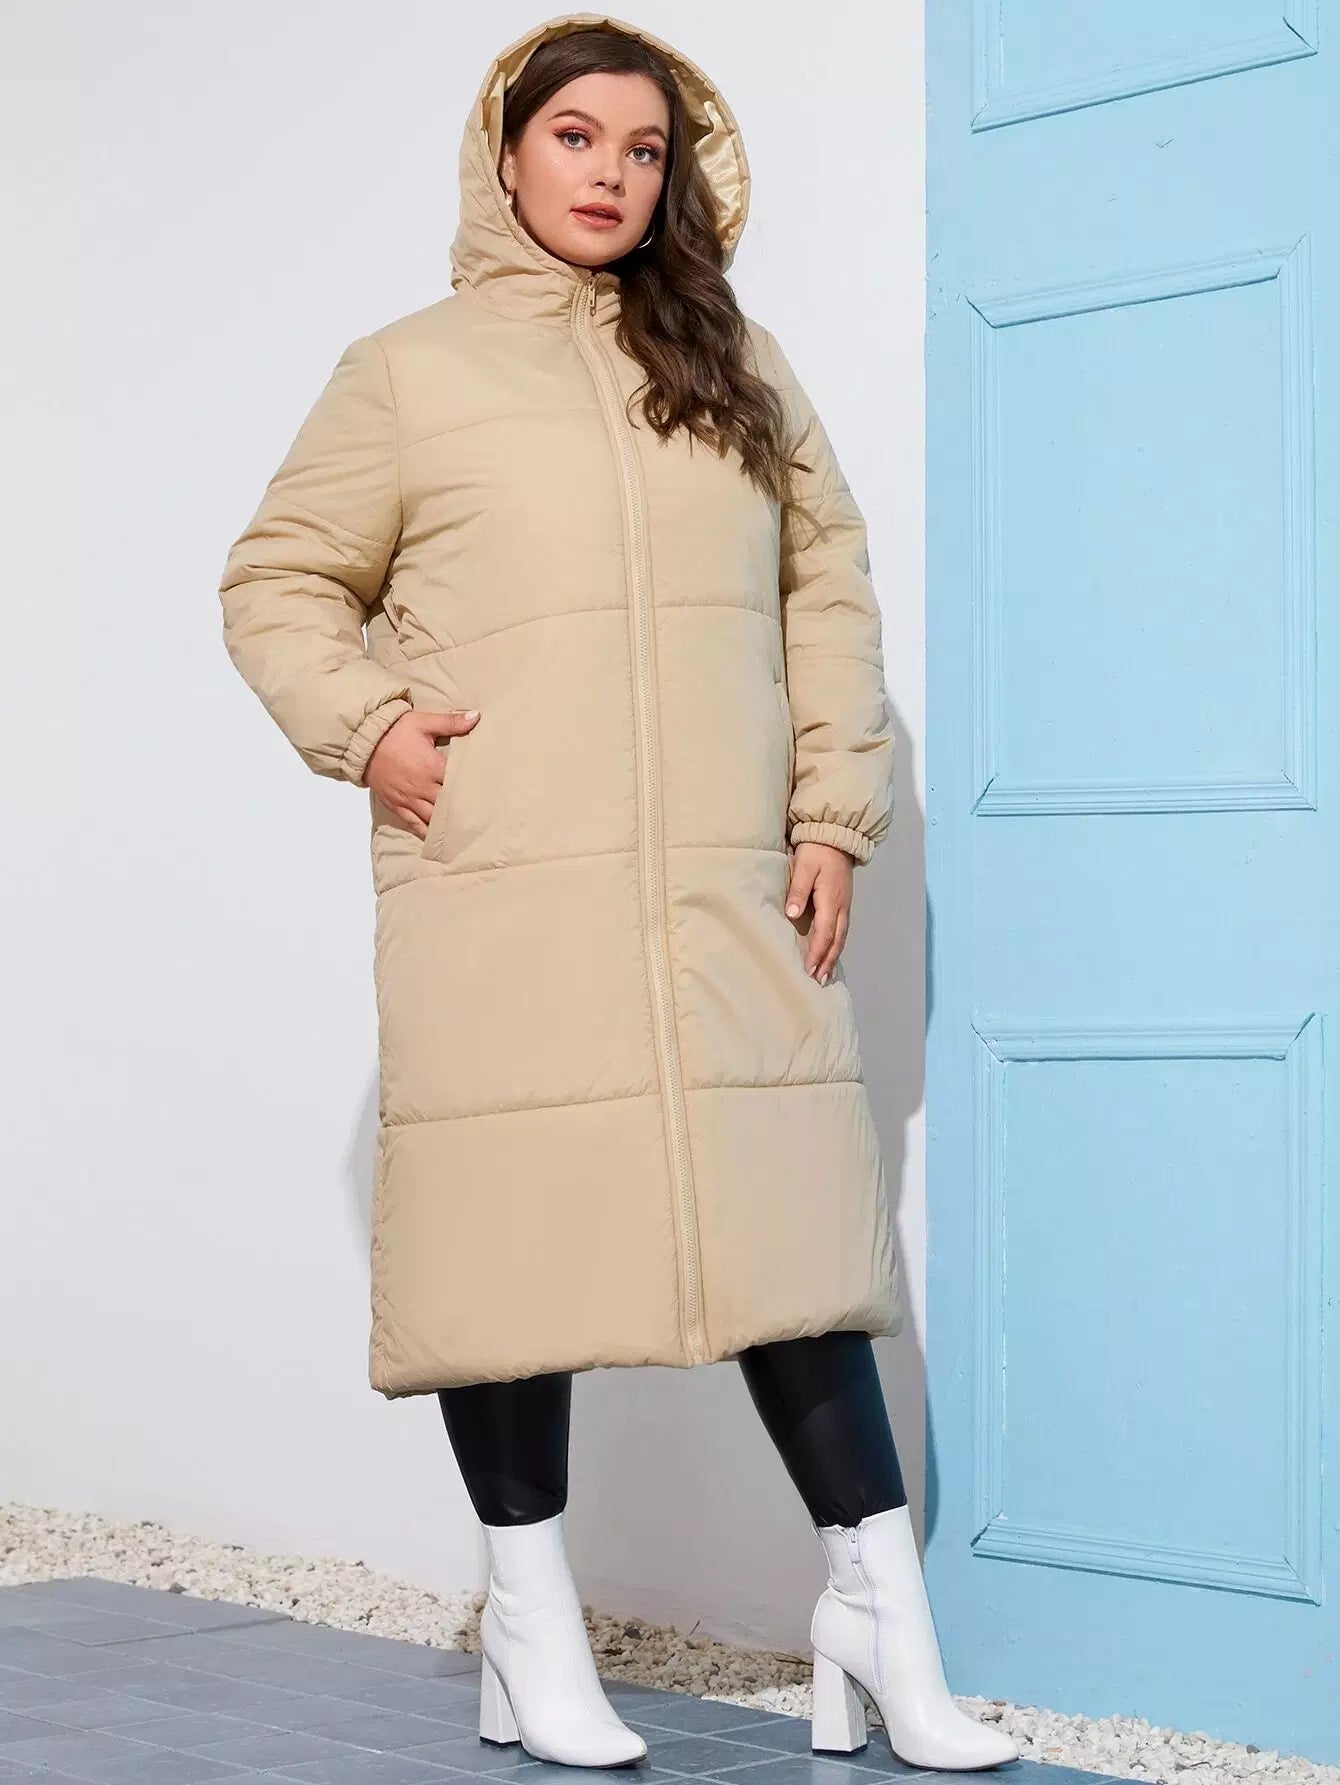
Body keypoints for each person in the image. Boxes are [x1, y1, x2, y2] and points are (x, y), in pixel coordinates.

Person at [217, 10, 1017, 1776]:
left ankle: (880, 1616)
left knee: (797, 1249)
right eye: (577, 137)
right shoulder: (407, 372)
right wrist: (373, 728)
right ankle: (530, 1625)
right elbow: (276, 580)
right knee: (510, 1246)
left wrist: (833, 814)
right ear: (506, 153)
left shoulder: (732, 360)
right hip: (502, 879)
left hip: (732, 887)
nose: (611, 174)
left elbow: (827, 587)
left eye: (644, 149)